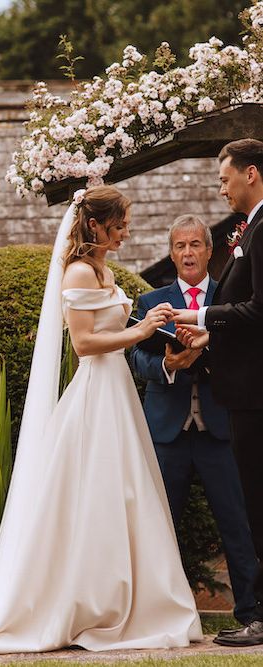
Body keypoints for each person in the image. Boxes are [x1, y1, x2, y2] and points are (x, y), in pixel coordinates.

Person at [0, 185, 202, 652]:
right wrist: (138, 329)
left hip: (117, 391)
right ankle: (84, 601)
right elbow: (83, 344)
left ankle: (130, 598)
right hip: (95, 391)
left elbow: (117, 329)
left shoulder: (103, 270)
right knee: (95, 490)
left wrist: (154, 320)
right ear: (95, 225)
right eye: (118, 224)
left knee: (127, 491)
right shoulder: (79, 272)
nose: (125, 232)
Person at [131, 215, 258, 624]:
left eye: (195, 245)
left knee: (238, 527)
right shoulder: (152, 302)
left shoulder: (232, 296)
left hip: (220, 430)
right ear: (172, 253)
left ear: (209, 250)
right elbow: (135, 357)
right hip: (168, 432)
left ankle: (250, 614)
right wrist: (167, 365)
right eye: (180, 246)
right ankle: (153, 615)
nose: (188, 252)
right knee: (158, 528)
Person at [174, 138, 263, 646]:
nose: (221, 187)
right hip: (245, 391)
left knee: (257, 505)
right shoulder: (250, 229)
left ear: (250, 173)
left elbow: (261, 309)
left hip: (255, 392)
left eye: (224, 177)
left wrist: (202, 315)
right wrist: (212, 336)